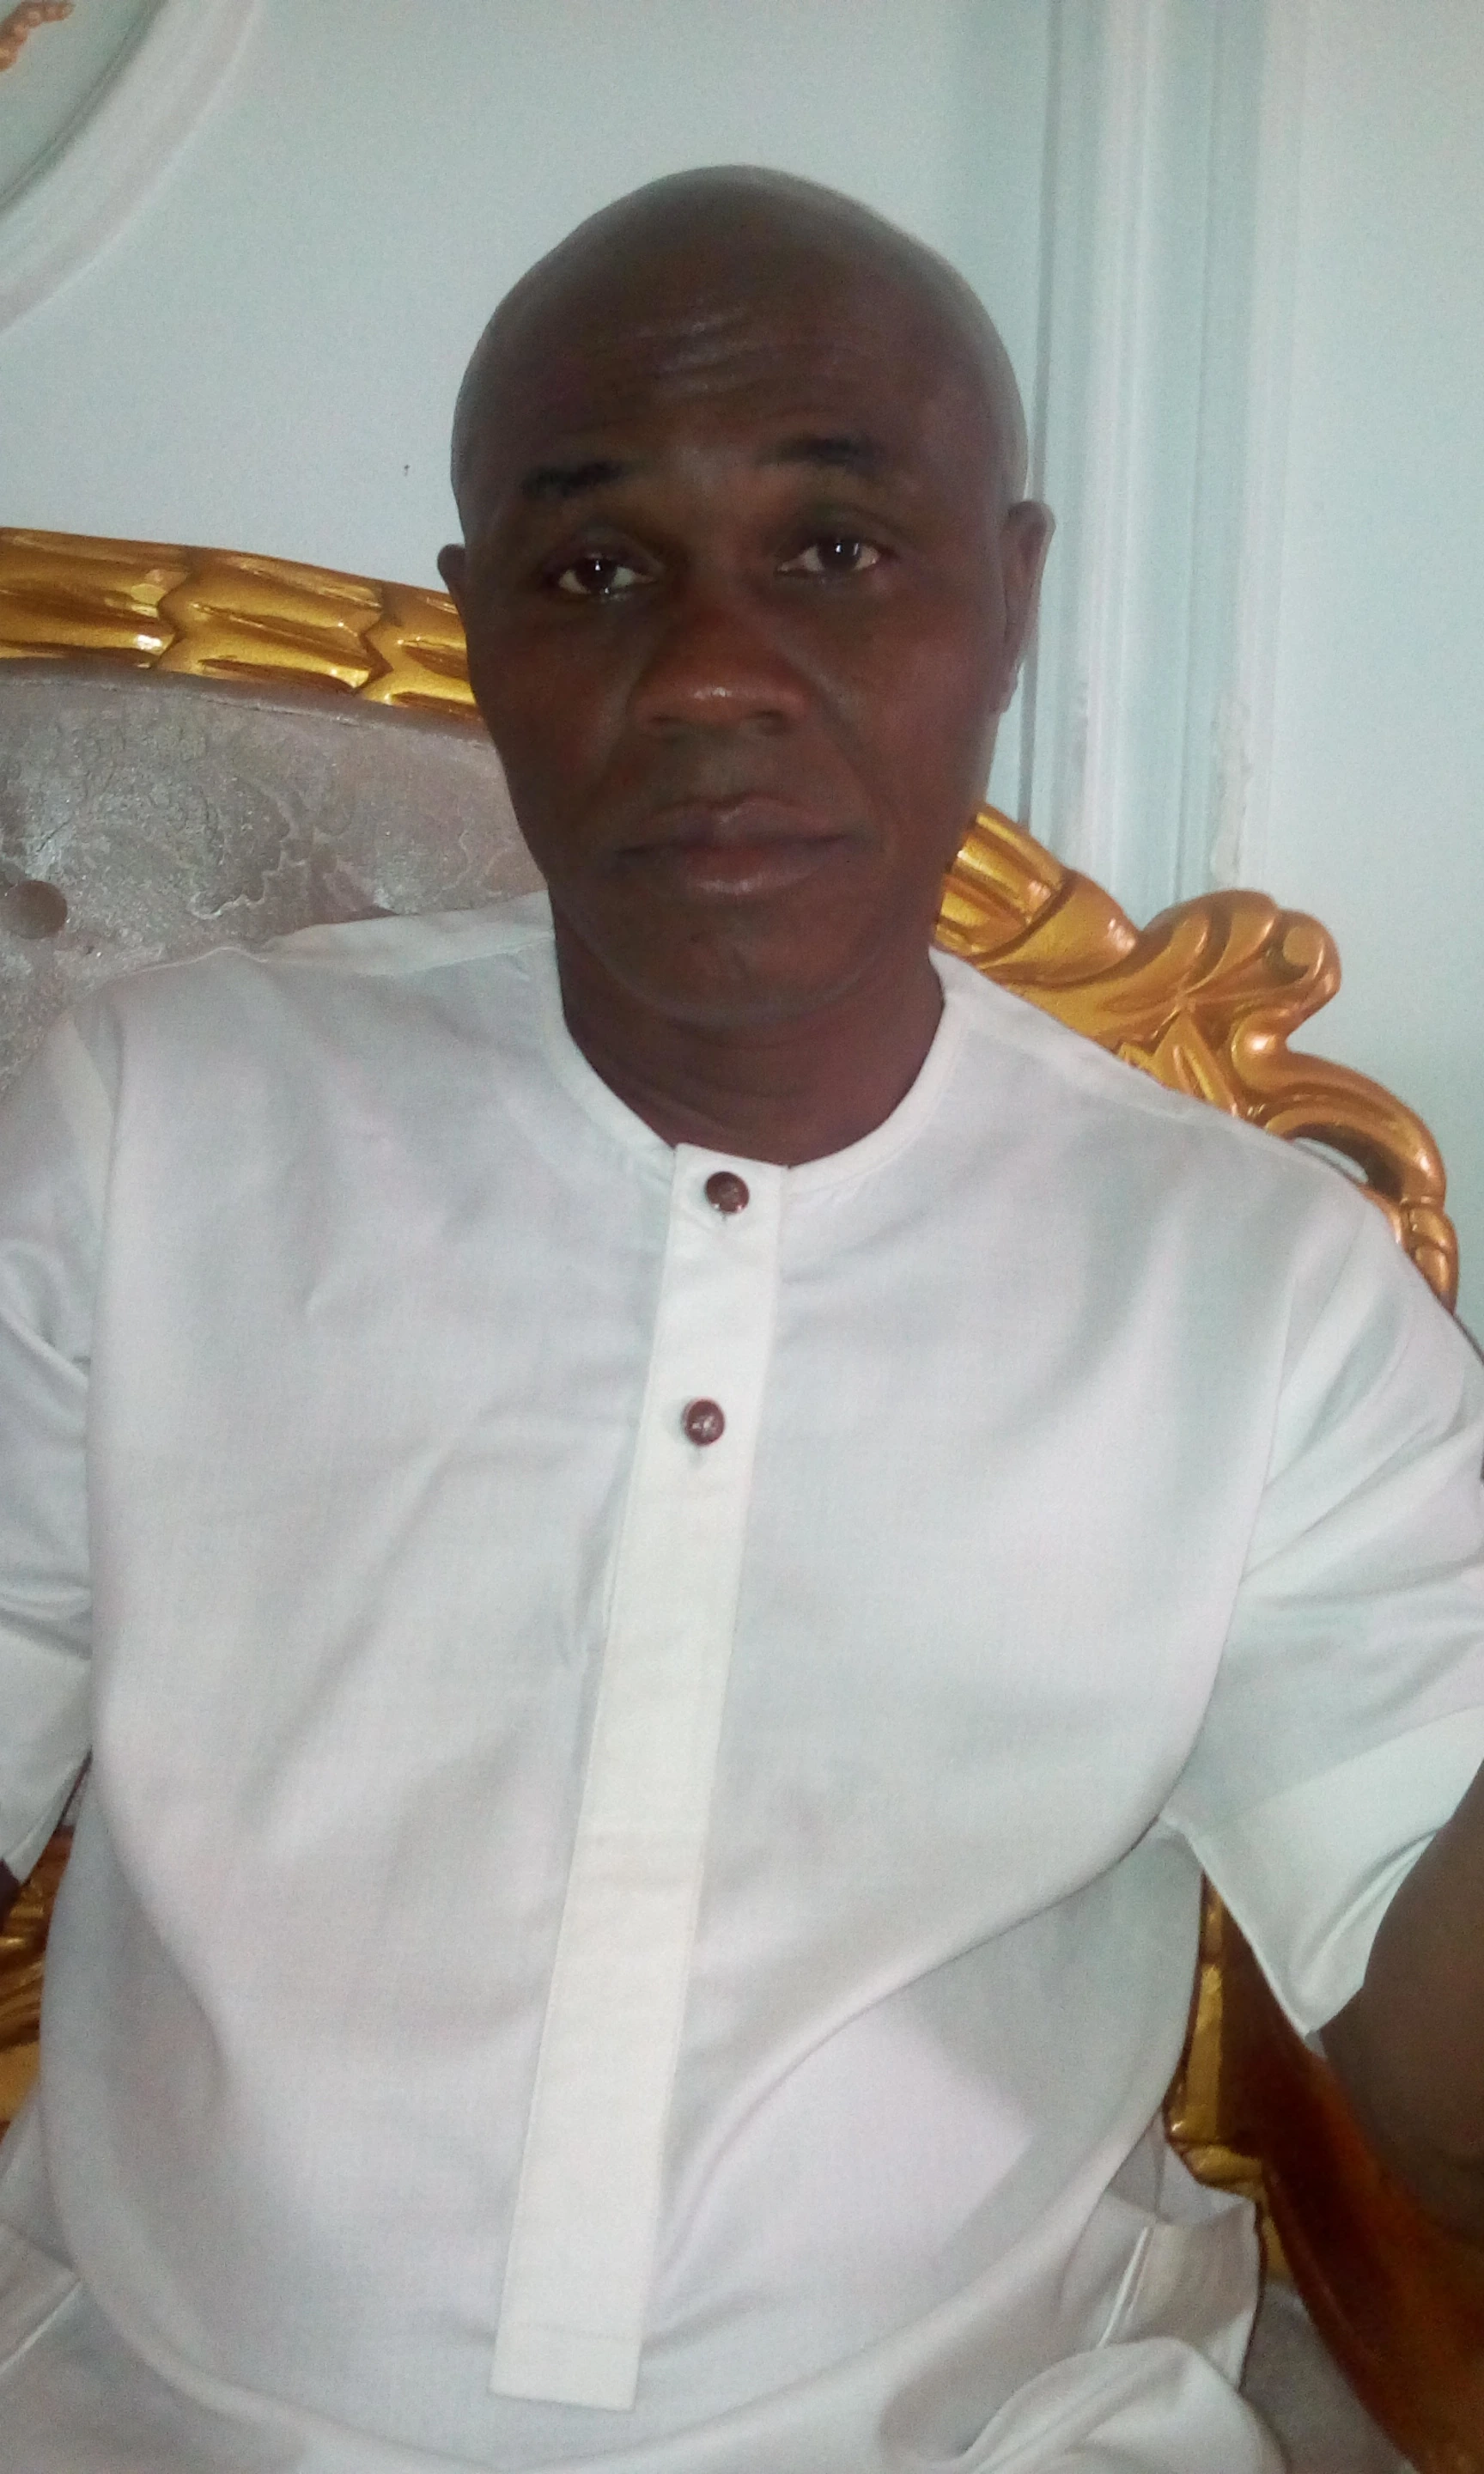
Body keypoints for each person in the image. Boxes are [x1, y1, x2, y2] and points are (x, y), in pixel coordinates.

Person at [0, 164, 1481, 2474]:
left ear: (1008, 597)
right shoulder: (148, 1131)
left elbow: (1438, 2046)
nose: (705, 670)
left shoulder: (1249, 1291)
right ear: (480, 628)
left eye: (835, 551)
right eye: (596, 570)